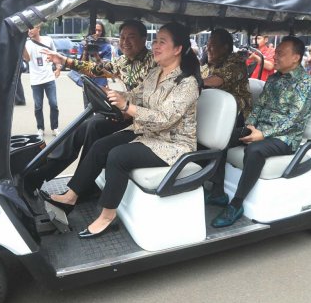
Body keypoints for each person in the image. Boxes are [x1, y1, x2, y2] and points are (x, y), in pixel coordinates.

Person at [41, 22, 203, 238]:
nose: (155, 46)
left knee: (118, 156)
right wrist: (116, 96)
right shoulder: (155, 73)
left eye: (162, 42)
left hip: (172, 144)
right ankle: (71, 196)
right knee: (100, 146)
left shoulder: (187, 83)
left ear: (178, 48)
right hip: (148, 134)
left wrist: (127, 107)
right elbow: (137, 95)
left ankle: (107, 216)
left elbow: (165, 118)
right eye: (156, 41)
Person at [27, 19, 156, 191]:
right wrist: (64, 61)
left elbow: (149, 100)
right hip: (127, 110)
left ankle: (83, 186)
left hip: (143, 117)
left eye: (131, 37)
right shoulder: (124, 61)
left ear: (143, 39)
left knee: (94, 125)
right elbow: (96, 69)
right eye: (122, 37)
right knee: (85, 126)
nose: (125, 42)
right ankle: (41, 173)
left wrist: (125, 107)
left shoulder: (154, 62)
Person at [212, 36, 311, 228]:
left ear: (296, 57)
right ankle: (218, 190)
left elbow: (293, 119)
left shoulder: (305, 83)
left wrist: (263, 134)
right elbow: (259, 107)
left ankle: (237, 204)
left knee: (255, 150)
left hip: (285, 137)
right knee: (222, 137)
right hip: (261, 130)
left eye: (281, 53)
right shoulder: (275, 78)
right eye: (276, 52)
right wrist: (251, 125)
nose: (275, 56)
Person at [200, 28, 252, 205]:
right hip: (218, 120)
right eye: (208, 45)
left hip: (240, 122)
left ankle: (217, 191)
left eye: (213, 46)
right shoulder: (210, 64)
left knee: (217, 141)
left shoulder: (235, 64)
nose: (209, 49)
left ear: (226, 47)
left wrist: (192, 82)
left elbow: (215, 81)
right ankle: (201, 183)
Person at [23, 25, 61, 137]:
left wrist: (58, 68)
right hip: (35, 80)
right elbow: (27, 59)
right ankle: (40, 128)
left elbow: (56, 55)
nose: (30, 30)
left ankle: (55, 127)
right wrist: (22, 47)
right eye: (28, 29)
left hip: (49, 78)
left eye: (32, 28)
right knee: (38, 106)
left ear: (38, 28)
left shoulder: (48, 40)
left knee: (53, 104)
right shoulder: (27, 44)